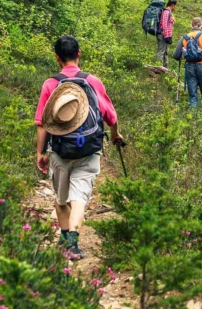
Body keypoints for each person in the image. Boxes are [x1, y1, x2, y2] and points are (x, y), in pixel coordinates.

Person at [35, 36, 123, 260]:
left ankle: (65, 240)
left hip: (60, 149)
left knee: (61, 199)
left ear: (57, 58)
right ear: (79, 53)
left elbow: (42, 123)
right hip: (89, 149)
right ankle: (72, 243)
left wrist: (40, 152)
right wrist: (115, 135)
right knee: (79, 198)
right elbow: (111, 116)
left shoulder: (50, 84)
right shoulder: (92, 81)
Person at [157, 0, 177, 69]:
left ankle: (165, 69)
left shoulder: (169, 13)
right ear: (172, 5)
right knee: (161, 51)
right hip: (163, 34)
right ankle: (158, 68)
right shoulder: (166, 12)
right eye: (175, 6)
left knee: (165, 52)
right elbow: (164, 24)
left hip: (166, 35)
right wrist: (166, 36)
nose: (175, 8)